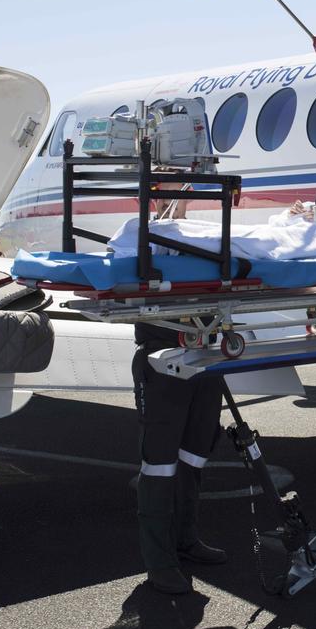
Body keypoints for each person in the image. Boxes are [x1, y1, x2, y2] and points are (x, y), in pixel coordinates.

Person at [132, 177, 227, 595]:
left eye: (184, 192)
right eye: (171, 193)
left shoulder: (207, 238)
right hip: (163, 356)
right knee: (160, 462)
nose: (180, 200)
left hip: (205, 354)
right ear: (151, 199)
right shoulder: (138, 239)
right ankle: (160, 561)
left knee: (194, 455)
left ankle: (186, 540)